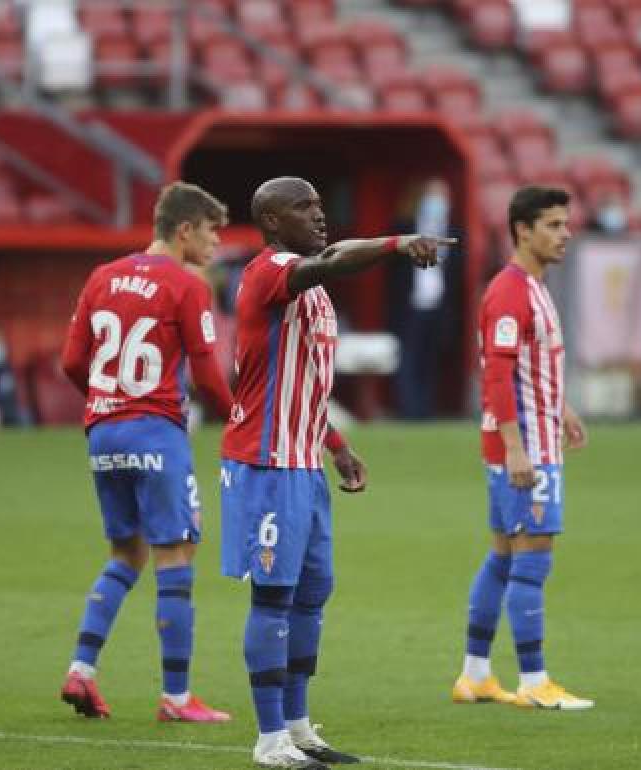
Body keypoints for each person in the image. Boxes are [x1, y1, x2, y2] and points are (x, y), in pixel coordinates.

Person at [221, 176, 450, 769]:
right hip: (265, 464)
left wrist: (337, 444)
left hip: (304, 464)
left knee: (311, 596)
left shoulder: (315, 296)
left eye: (322, 205)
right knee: (273, 598)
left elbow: (301, 384)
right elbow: (334, 261)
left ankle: (298, 728)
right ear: (272, 221)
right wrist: (398, 243)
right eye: (303, 207)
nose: (319, 215)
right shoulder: (269, 271)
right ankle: (268, 739)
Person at [57, 181, 235, 724]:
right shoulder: (185, 286)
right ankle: (177, 699)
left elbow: (70, 362)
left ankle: (81, 671)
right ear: (184, 230)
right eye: (211, 232)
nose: (216, 245)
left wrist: (110, 403)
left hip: (103, 432)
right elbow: (206, 375)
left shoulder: (102, 276)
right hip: (155, 432)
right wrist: (238, 416)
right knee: (175, 557)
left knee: (125, 555)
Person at [452, 186, 593, 712]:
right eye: (553, 225)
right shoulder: (512, 291)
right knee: (532, 559)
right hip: (525, 446)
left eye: (565, 224)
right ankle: (533, 680)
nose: (564, 234)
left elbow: (532, 368)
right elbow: (498, 375)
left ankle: (475, 674)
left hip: (532, 433)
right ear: (522, 230)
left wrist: (562, 407)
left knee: (505, 556)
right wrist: (516, 448)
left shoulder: (532, 287)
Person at [388, 177, 462, 419]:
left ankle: (424, 412)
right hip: (410, 306)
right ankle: (409, 411)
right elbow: (392, 271)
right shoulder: (406, 227)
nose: (438, 201)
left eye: (442, 196)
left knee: (430, 361)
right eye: (433, 195)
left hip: (438, 308)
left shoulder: (453, 233)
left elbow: (458, 274)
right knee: (408, 359)